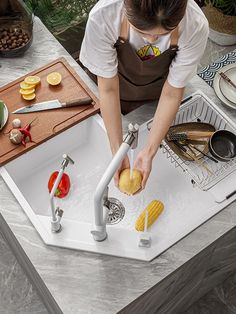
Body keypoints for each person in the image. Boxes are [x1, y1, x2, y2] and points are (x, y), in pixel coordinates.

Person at [80, 0, 209, 191]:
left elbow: (172, 92)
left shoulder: (194, 24)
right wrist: (117, 152)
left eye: (164, 34)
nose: (151, 40)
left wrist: (149, 152)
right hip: (111, 88)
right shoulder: (103, 17)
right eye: (142, 32)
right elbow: (107, 89)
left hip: (159, 91)